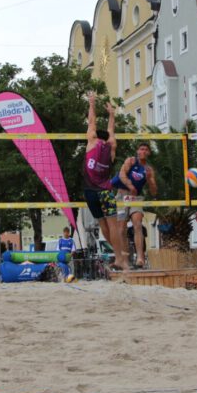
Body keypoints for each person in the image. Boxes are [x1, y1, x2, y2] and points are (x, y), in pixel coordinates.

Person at [83, 92, 125, 269]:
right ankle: (119, 257)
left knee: (104, 226)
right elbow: (111, 131)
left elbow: (91, 121)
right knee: (112, 225)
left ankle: (119, 257)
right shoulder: (112, 146)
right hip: (105, 191)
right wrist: (112, 115)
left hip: (90, 190)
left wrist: (92, 103)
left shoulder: (92, 141)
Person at [114, 142, 157, 269]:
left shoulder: (148, 169)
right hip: (122, 196)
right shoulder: (131, 161)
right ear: (137, 151)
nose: (143, 151)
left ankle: (140, 258)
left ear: (148, 153)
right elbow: (122, 174)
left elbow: (154, 191)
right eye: (141, 149)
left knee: (138, 224)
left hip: (135, 198)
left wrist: (149, 180)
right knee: (121, 229)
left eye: (145, 149)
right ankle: (125, 260)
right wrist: (130, 185)